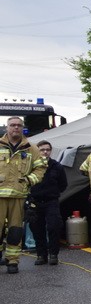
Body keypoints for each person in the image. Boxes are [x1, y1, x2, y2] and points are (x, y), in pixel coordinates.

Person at [0, 116, 46, 273]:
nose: (16, 128)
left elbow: (40, 169)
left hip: (19, 196)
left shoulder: (31, 148)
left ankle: (12, 261)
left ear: (22, 127)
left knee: (15, 231)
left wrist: (28, 180)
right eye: (12, 125)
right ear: (7, 127)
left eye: (19, 125)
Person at [27, 140, 68, 265]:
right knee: (36, 229)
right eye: (42, 149)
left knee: (54, 227)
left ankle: (53, 254)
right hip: (35, 202)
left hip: (51, 201)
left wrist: (52, 193)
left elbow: (63, 184)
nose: (45, 152)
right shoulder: (31, 166)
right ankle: (41, 255)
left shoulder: (57, 166)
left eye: (47, 149)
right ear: (37, 151)